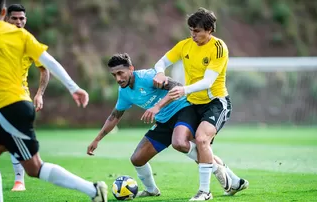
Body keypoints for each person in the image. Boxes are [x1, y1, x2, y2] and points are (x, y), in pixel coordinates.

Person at [0, 1, 107, 202]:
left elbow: (45, 66)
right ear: (4, 12)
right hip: (14, 107)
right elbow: (49, 61)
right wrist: (73, 87)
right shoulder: (20, 35)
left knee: (34, 167)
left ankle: (94, 190)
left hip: (9, 109)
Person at [87, 53, 231, 199]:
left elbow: (178, 87)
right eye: (114, 75)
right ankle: (151, 190)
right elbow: (114, 116)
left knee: (180, 143)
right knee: (137, 158)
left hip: (183, 110)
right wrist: (97, 139)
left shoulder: (148, 76)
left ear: (131, 69)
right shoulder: (124, 92)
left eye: (120, 73)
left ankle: (222, 178)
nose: (118, 78)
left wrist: (157, 105)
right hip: (163, 121)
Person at [152, 7, 249, 201]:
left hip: (216, 103)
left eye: (197, 31)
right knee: (179, 143)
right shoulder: (185, 45)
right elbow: (160, 62)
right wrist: (160, 72)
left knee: (202, 140)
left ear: (209, 30)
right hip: (192, 103)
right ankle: (232, 179)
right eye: (191, 30)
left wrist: (184, 89)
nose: (193, 34)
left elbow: (208, 82)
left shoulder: (219, 48)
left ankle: (205, 192)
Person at [2, 3, 50, 192]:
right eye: (15, 18)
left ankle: (19, 181)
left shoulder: (29, 42)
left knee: (14, 139)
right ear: (6, 18)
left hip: (19, 97)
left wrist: (39, 94)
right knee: (0, 143)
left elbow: (44, 69)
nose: (19, 22)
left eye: (22, 19)